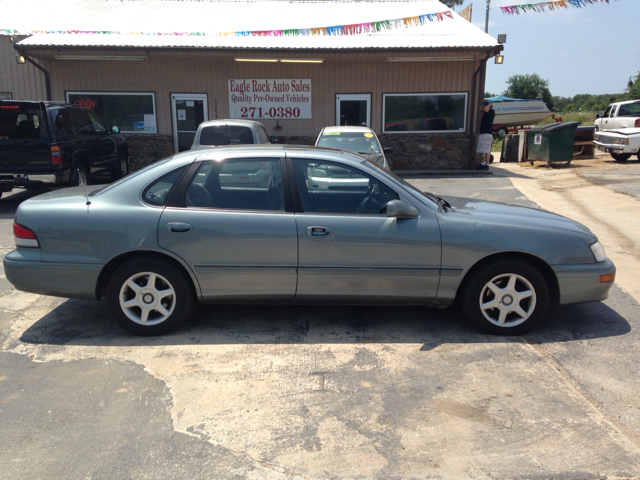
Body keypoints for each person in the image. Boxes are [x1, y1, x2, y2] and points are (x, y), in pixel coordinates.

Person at [476, 100, 495, 170]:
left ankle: (486, 164)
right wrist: (481, 108)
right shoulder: (484, 113)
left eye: (484, 106)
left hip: (488, 134)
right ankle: (482, 163)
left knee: (487, 150)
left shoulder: (491, 112)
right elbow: (482, 110)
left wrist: (488, 105)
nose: (482, 107)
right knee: (482, 150)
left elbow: (487, 109)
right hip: (483, 133)